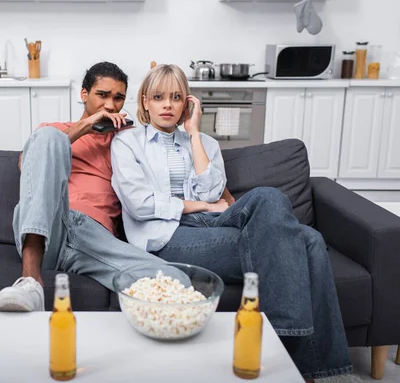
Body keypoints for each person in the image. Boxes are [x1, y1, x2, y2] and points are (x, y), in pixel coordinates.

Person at [110, 64, 353, 381]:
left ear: (188, 102)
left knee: (268, 196)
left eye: (176, 97)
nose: (167, 105)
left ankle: (287, 336)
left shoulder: (205, 143)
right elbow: (141, 205)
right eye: (158, 97)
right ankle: (310, 360)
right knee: (309, 241)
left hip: (216, 222)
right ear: (145, 101)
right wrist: (202, 205)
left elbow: (213, 190)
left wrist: (194, 133)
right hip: (169, 236)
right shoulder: (126, 143)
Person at [0, 61, 195, 313]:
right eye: (102, 95)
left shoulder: (127, 141)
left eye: (118, 98)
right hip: (51, 224)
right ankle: (30, 281)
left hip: (92, 239)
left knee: (177, 283)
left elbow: (167, 163)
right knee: (49, 139)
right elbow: (27, 165)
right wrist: (87, 126)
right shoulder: (53, 131)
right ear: (84, 94)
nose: (110, 105)